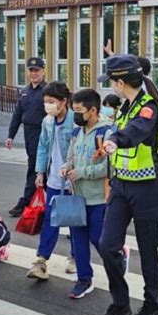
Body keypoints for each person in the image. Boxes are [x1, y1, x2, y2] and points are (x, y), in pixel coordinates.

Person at [97, 54, 158, 315]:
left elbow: (136, 132)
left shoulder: (148, 107)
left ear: (121, 81)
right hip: (121, 187)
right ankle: (121, 303)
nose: (110, 86)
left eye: (111, 81)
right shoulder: (125, 106)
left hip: (147, 189)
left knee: (148, 251)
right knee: (107, 245)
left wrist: (115, 140)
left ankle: (152, 305)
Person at [61, 89, 112, 299]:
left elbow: (109, 168)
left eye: (80, 111)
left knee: (97, 238)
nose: (76, 115)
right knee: (78, 240)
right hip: (77, 197)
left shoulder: (106, 134)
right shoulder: (76, 132)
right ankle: (84, 279)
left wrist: (82, 172)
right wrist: (66, 167)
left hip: (99, 197)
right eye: (74, 110)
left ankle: (116, 262)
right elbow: (71, 157)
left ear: (93, 110)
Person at [27, 81, 76, 280]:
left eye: (51, 101)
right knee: (50, 219)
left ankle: (75, 257)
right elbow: (42, 147)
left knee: (75, 221)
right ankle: (41, 260)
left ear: (64, 101)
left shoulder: (75, 121)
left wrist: (73, 171)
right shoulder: (47, 121)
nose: (48, 105)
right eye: (45, 101)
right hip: (53, 179)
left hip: (73, 181)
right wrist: (40, 172)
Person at [5, 57, 47, 217]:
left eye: (37, 70)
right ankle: (32, 201)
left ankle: (28, 201)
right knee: (35, 167)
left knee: (38, 168)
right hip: (28, 133)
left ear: (43, 71)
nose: (34, 73)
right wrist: (11, 135)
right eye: (31, 70)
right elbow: (17, 114)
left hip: (43, 134)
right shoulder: (25, 91)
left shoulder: (48, 90)